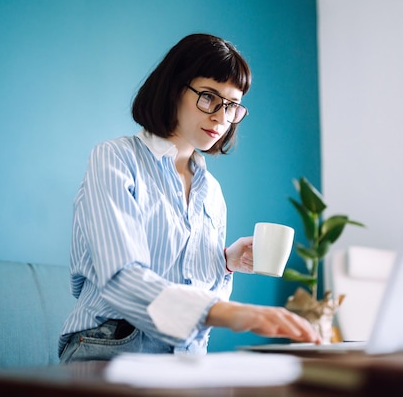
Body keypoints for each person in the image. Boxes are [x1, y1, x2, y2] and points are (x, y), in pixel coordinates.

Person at [59, 33, 320, 362]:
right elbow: (121, 277)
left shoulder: (212, 191)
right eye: (209, 97)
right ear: (174, 88)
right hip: (110, 346)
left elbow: (195, 293)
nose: (221, 117)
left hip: (185, 357)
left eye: (232, 105)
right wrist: (229, 312)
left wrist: (225, 263)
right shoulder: (115, 158)